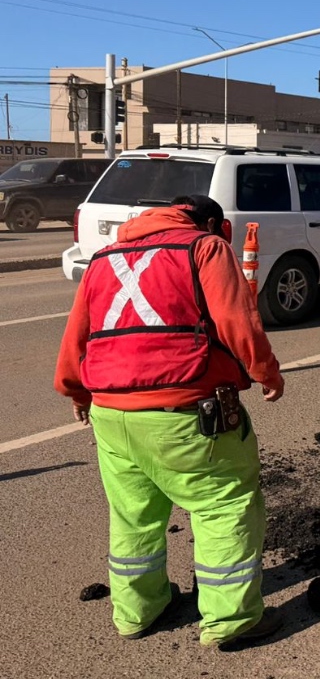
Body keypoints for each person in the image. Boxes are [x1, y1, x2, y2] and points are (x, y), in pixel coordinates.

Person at [53, 195, 285, 649]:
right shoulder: (205, 248)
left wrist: (75, 390)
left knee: (134, 516)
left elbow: (78, 331)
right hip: (185, 410)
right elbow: (237, 321)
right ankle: (231, 621)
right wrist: (266, 372)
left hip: (112, 413)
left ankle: (139, 611)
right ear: (213, 223)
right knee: (224, 505)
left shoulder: (104, 257)